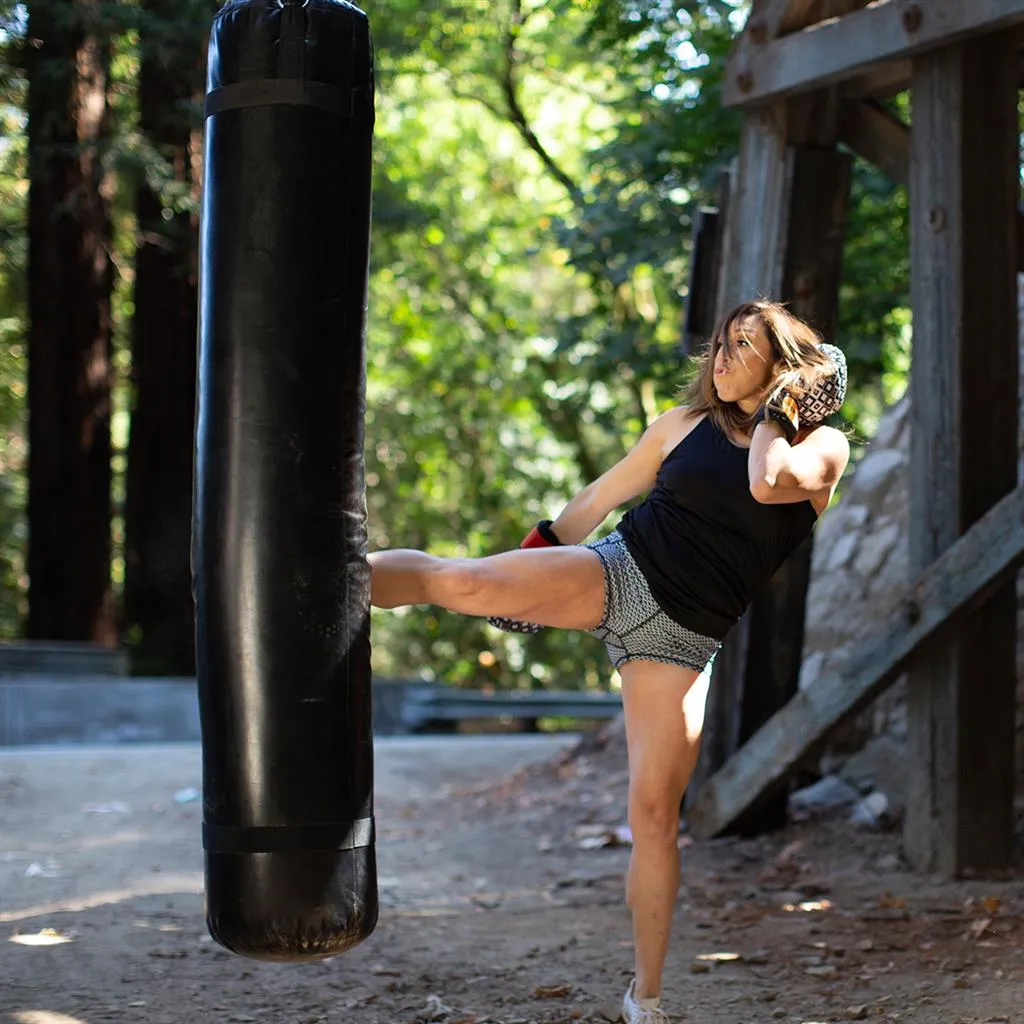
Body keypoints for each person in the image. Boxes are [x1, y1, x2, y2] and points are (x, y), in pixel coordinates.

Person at [368, 299, 851, 1024]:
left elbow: (764, 481)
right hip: (619, 572)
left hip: (685, 643)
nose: (720, 359)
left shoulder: (824, 446)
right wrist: (532, 561)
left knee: (654, 817)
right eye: (719, 345)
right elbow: (598, 497)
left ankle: (645, 998)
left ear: (783, 365)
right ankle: (324, 581)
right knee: (463, 581)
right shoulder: (681, 427)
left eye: (742, 345)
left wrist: (780, 410)